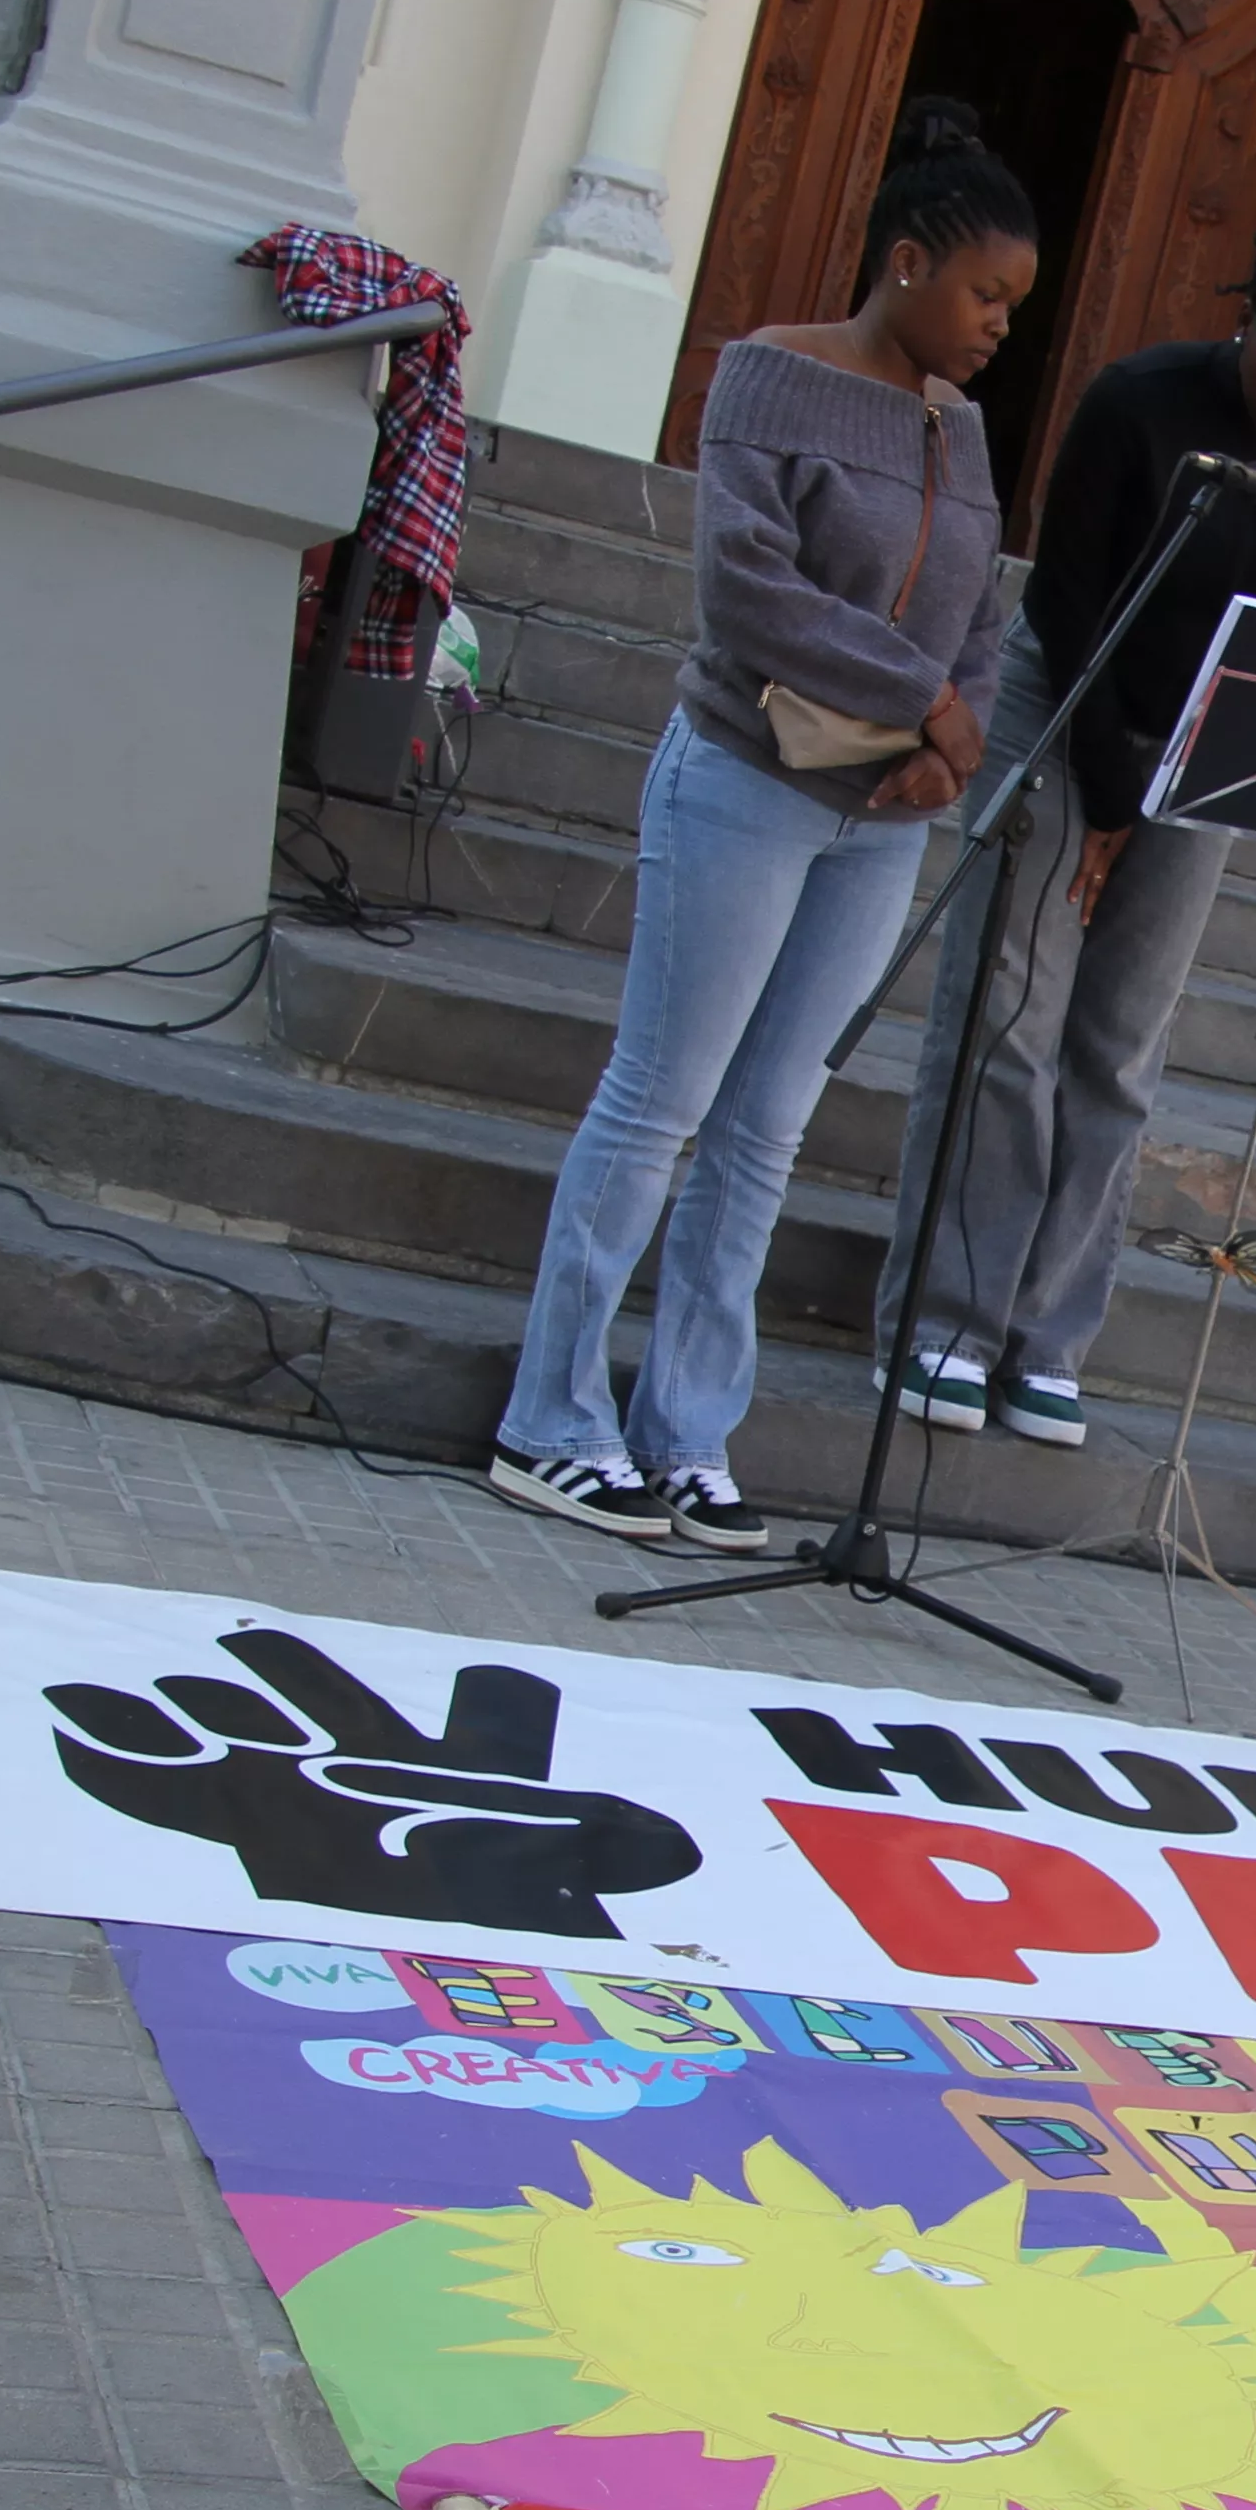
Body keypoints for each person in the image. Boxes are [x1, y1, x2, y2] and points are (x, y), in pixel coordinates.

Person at [489, 108, 1036, 1547]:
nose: (998, 327)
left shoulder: (960, 427)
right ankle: (549, 1419)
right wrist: (930, 699)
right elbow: (751, 592)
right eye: (985, 294)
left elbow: (984, 607)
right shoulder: (765, 379)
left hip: (883, 816)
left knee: (767, 1129)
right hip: (747, 775)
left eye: (1013, 305)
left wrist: (943, 739)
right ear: (907, 263)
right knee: (660, 1103)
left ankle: (689, 1436)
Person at [883, 228, 1256, 1450]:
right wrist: (1106, 799)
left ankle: (1047, 1336)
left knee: (1118, 1048)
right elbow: (1066, 594)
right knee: (1010, 1020)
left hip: (1209, 743)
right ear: (1246, 324)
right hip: (1068, 706)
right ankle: (947, 1319)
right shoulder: (1137, 401)